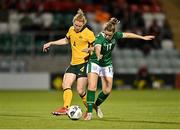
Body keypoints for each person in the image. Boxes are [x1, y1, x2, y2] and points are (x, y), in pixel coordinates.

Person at [84, 17, 155, 120]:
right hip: (95, 62)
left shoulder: (116, 35)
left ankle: (96, 105)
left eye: (109, 35)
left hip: (106, 64)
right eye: (106, 34)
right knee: (92, 86)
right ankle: (89, 113)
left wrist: (142, 37)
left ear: (114, 33)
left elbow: (128, 35)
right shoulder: (100, 37)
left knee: (107, 90)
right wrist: (98, 54)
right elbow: (98, 47)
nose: (107, 36)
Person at [43, 9, 98, 116]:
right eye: (76, 25)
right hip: (73, 64)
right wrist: (51, 43)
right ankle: (65, 108)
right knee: (66, 84)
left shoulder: (89, 34)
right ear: (73, 23)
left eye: (79, 26)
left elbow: (95, 47)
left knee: (81, 91)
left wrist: (90, 52)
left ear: (83, 25)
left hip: (84, 64)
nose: (77, 27)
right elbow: (65, 40)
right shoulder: (71, 30)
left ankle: (91, 108)